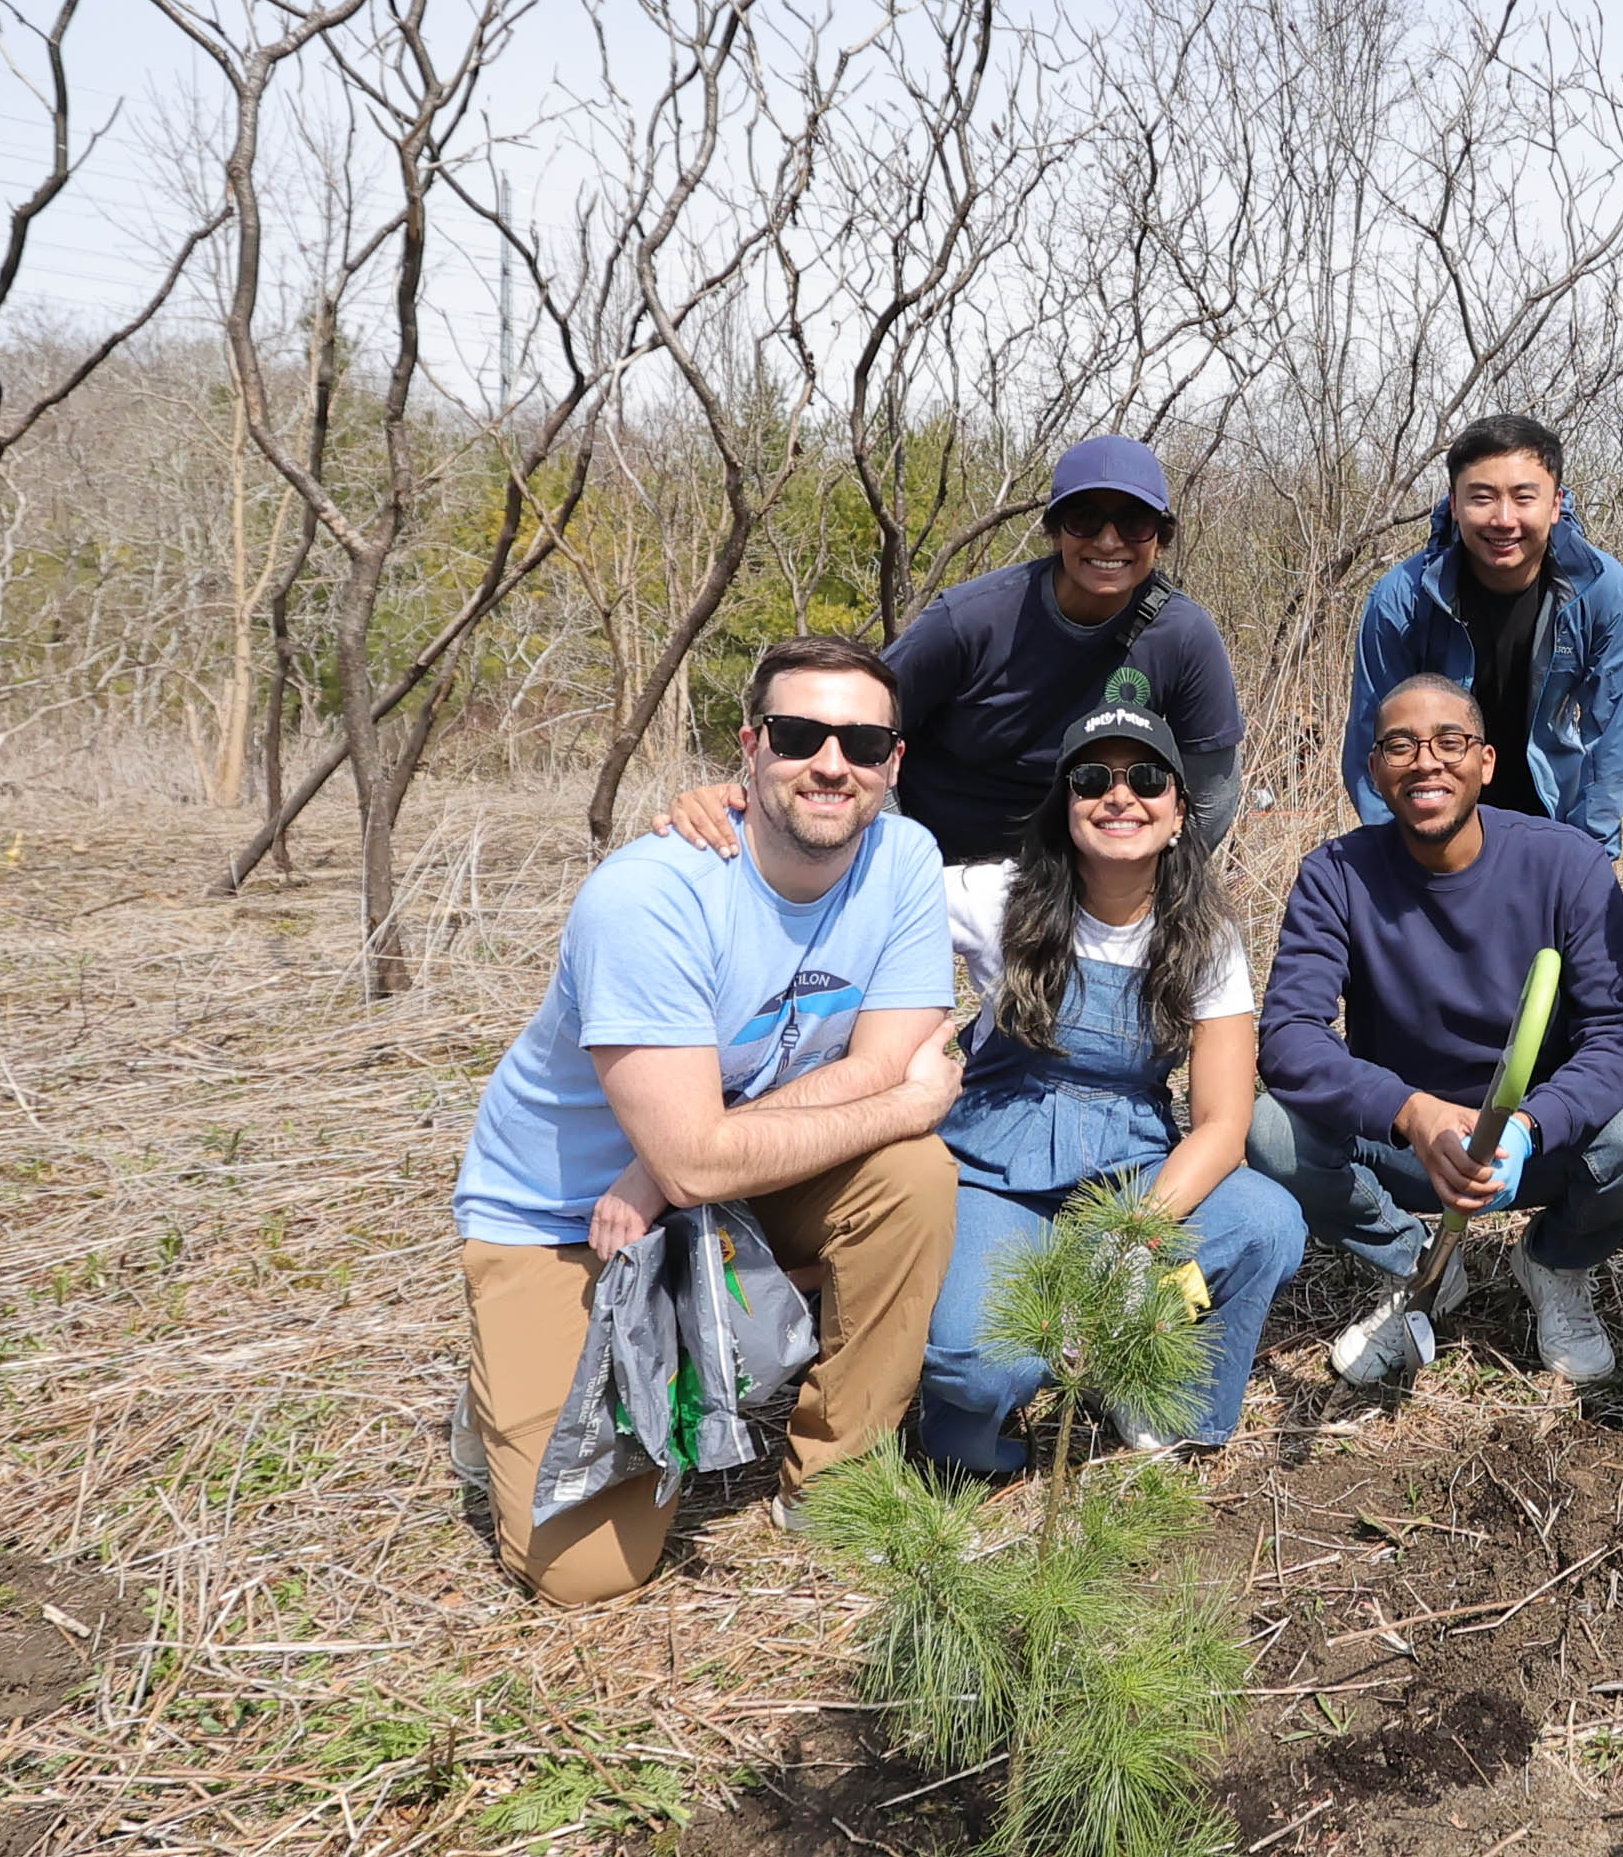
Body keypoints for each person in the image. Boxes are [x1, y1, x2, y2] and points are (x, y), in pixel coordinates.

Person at [452, 635, 963, 1606]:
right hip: (564, 1223)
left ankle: (836, 1480)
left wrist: (674, 1169)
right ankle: (511, 1385)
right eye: (802, 733)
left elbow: (880, 1061)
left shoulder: (903, 858)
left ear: (895, 762)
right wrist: (680, 1166)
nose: (831, 762)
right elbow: (882, 1090)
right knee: (587, 1574)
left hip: (715, 1186)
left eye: (861, 742)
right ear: (752, 745)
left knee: (913, 1176)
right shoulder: (650, 897)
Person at [1251, 674, 1623, 1383]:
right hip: (1408, 1145)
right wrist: (1408, 1111)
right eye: (1401, 745)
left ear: (1486, 761)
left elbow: (1620, 1035)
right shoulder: (1336, 875)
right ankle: (1418, 1266)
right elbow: (1290, 1036)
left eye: (1450, 741)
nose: (1427, 761)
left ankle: (1553, 1261)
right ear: (1374, 769)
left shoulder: (1566, 863)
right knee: (1272, 1131)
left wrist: (1529, 1125)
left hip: (1532, 1142)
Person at [917, 702, 1305, 1470]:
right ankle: (994, 1395)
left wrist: (1136, 1241)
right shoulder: (994, 895)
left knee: (1266, 1225)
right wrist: (740, 820)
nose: (1119, 796)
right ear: (1064, 806)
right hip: (997, 1179)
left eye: (1147, 779)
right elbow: (863, 892)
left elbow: (1223, 1125)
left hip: (1129, 1178)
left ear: (1178, 812)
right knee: (983, 1368)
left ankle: (1147, 1377)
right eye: (1092, 778)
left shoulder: (1207, 936)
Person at [662, 435, 1242, 864]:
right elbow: (860, 737)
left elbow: (1211, 794)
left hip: (1074, 869)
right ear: (1056, 529)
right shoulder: (971, 620)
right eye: (1085, 519)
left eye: (1135, 522)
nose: (1108, 541)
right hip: (929, 854)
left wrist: (1154, 879)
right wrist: (893, 867)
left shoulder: (1183, 637)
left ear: (1160, 539)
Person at [1342, 414, 1623, 855]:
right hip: (1434, 828)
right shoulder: (1402, 600)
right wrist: (1398, 857)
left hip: (1552, 825)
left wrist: (1588, 854)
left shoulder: (1600, 591)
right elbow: (1370, 744)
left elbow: (1617, 737)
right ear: (1453, 502)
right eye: (1482, 497)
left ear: (1556, 503)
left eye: (1524, 497)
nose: (1504, 519)